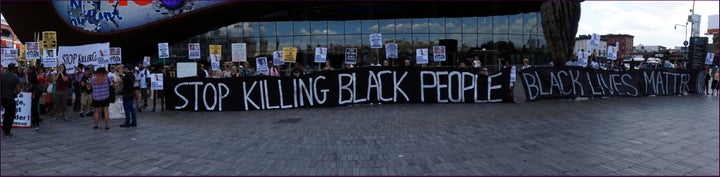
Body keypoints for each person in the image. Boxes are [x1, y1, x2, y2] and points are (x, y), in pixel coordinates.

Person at [2, 64, 20, 137]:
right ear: (14, 69)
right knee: (11, 115)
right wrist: (15, 93)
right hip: (10, 97)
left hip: (3, 97)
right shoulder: (15, 77)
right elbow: (18, 89)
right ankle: (7, 131)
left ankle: (4, 127)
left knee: (6, 113)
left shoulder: (2, 75)